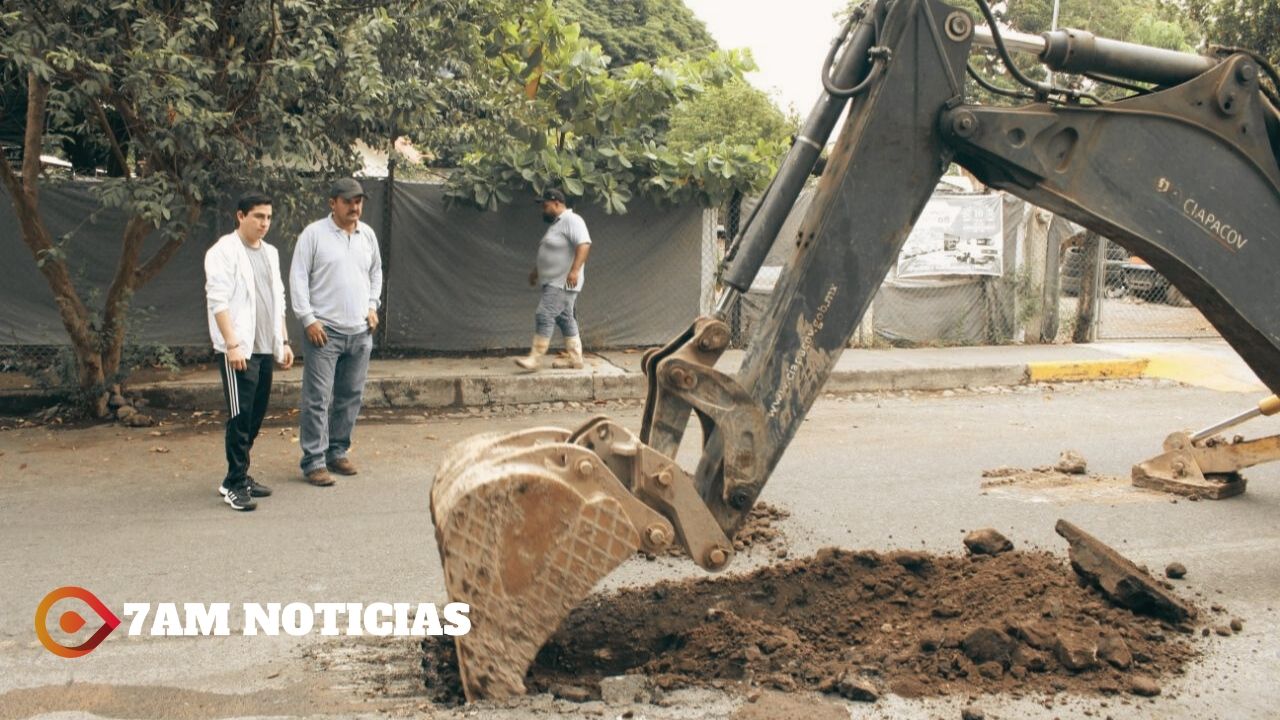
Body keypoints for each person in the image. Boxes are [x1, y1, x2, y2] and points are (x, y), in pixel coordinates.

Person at [290, 178, 383, 487]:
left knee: (350, 396)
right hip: (324, 332)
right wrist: (308, 319)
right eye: (348, 201)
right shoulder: (313, 235)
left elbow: (376, 272)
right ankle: (314, 461)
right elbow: (299, 278)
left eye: (359, 201)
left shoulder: (367, 235)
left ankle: (337, 451)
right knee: (317, 398)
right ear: (333, 203)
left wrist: (372, 305)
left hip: (360, 331)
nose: (355, 206)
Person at [204, 193, 294, 511]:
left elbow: (278, 297)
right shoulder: (223, 252)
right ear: (240, 216)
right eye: (258, 216)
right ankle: (234, 482)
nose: (264, 223)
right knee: (240, 418)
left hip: (265, 347)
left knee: (255, 416)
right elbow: (218, 301)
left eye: (268, 217)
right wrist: (231, 344)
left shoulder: (269, 253)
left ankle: (238, 476)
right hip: (238, 349)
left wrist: (282, 341)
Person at [515, 188, 592, 371]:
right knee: (565, 319)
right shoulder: (557, 224)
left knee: (545, 313)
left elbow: (584, 244)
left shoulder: (572, 220)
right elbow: (551, 252)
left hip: (563, 281)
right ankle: (576, 359)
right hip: (554, 281)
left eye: (545, 205)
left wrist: (574, 271)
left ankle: (535, 359)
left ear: (557, 203)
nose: (542, 209)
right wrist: (536, 271)